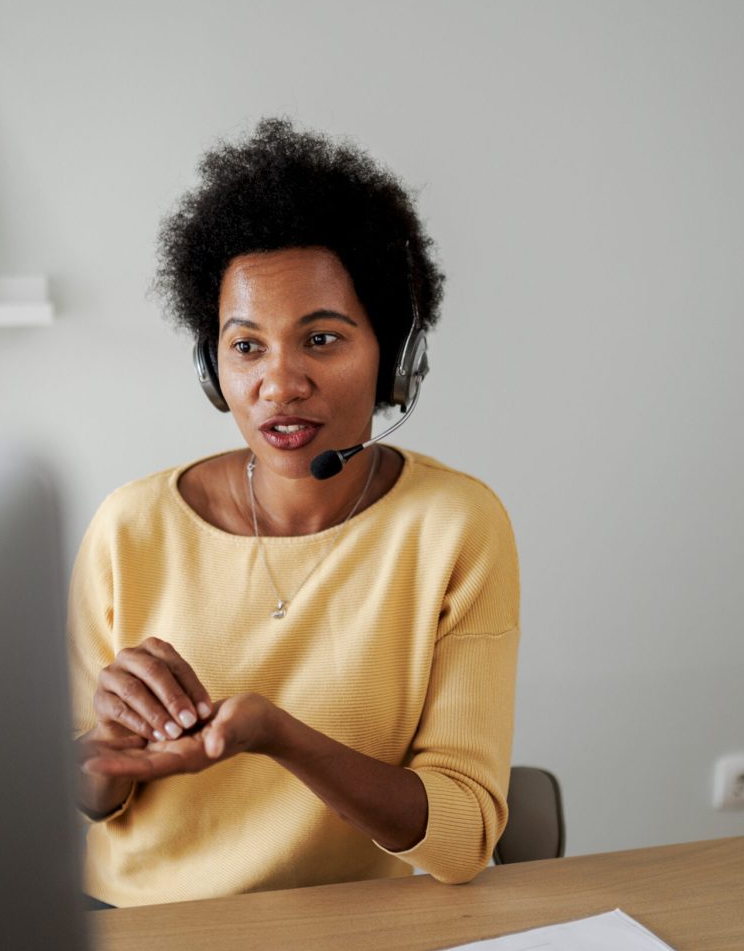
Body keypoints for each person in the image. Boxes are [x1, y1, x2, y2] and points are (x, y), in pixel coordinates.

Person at [68, 118, 520, 908]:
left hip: (343, 931)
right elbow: (78, 802)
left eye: (320, 339)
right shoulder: (130, 526)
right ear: (214, 368)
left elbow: (464, 840)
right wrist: (104, 754)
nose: (279, 384)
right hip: (141, 930)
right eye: (247, 347)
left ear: (395, 356)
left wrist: (280, 737)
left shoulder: (453, 526)